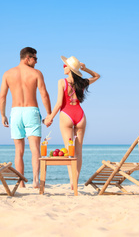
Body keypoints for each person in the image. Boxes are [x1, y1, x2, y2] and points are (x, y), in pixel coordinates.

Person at [0, 47, 52, 188]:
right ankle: (35, 180)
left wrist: (3, 115)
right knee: (35, 148)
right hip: (31, 111)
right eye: (35, 58)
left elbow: (2, 96)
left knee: (19, 150)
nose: (36, 62)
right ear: (27, 58)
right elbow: (44, 94)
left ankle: (21, 182)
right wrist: (49, 114)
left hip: (15, 112)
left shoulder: (8, 73)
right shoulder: (36, 73)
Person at [44, 56, 100, 188]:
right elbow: (97, 76)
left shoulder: (62, 82)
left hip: (66, 115)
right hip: (80, 115)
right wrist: (85, 69)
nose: (63, 67)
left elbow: (59, 103)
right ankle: (75, 180)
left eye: (65, 65)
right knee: (78, 151)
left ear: (70, 69)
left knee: (70, 151)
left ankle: (72, 182)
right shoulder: (82, 82)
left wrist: (50, 117)